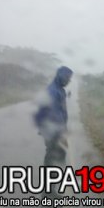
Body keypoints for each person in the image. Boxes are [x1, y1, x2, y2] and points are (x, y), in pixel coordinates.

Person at [33, 66, 73, 198]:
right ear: (61, 76)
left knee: (54, 158)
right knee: (54, 159)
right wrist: (62, 135)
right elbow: (55, 116)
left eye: (70, 79)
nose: (69, 81)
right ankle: (49, 191)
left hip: (54, 130)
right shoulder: (53, 91)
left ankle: (50, 188)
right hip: (53, 131)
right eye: (67, 78)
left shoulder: (59, 90)